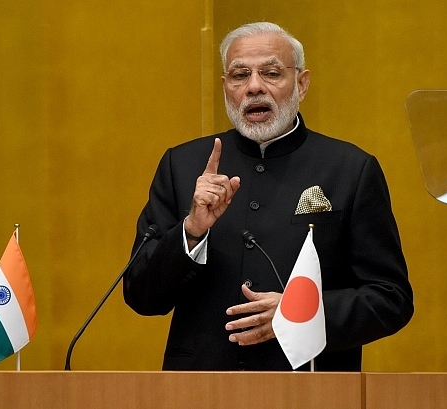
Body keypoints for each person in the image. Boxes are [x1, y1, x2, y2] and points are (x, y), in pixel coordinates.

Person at [123, 22, 413, 371]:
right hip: (200, 390)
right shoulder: (182, 166)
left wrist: (300, 314)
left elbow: (390, 299)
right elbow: (140, 295)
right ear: (225, 87)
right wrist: (191, 231)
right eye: (239, 75)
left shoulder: (351, 169)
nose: (254, 87)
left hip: (311, 389)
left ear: (302, 84)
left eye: (272, 73)